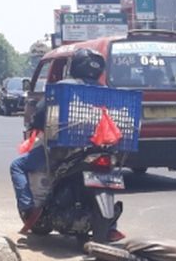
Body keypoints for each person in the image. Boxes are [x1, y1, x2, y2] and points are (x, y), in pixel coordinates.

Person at [10, 48, 120, 236]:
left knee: (17, 166)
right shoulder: (106, 91)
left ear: (76, 66)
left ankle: (28, 207)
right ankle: (111, 226)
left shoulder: (62, 87)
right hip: (98, 146)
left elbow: (40, 115)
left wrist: (36, 123)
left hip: (62, 149)